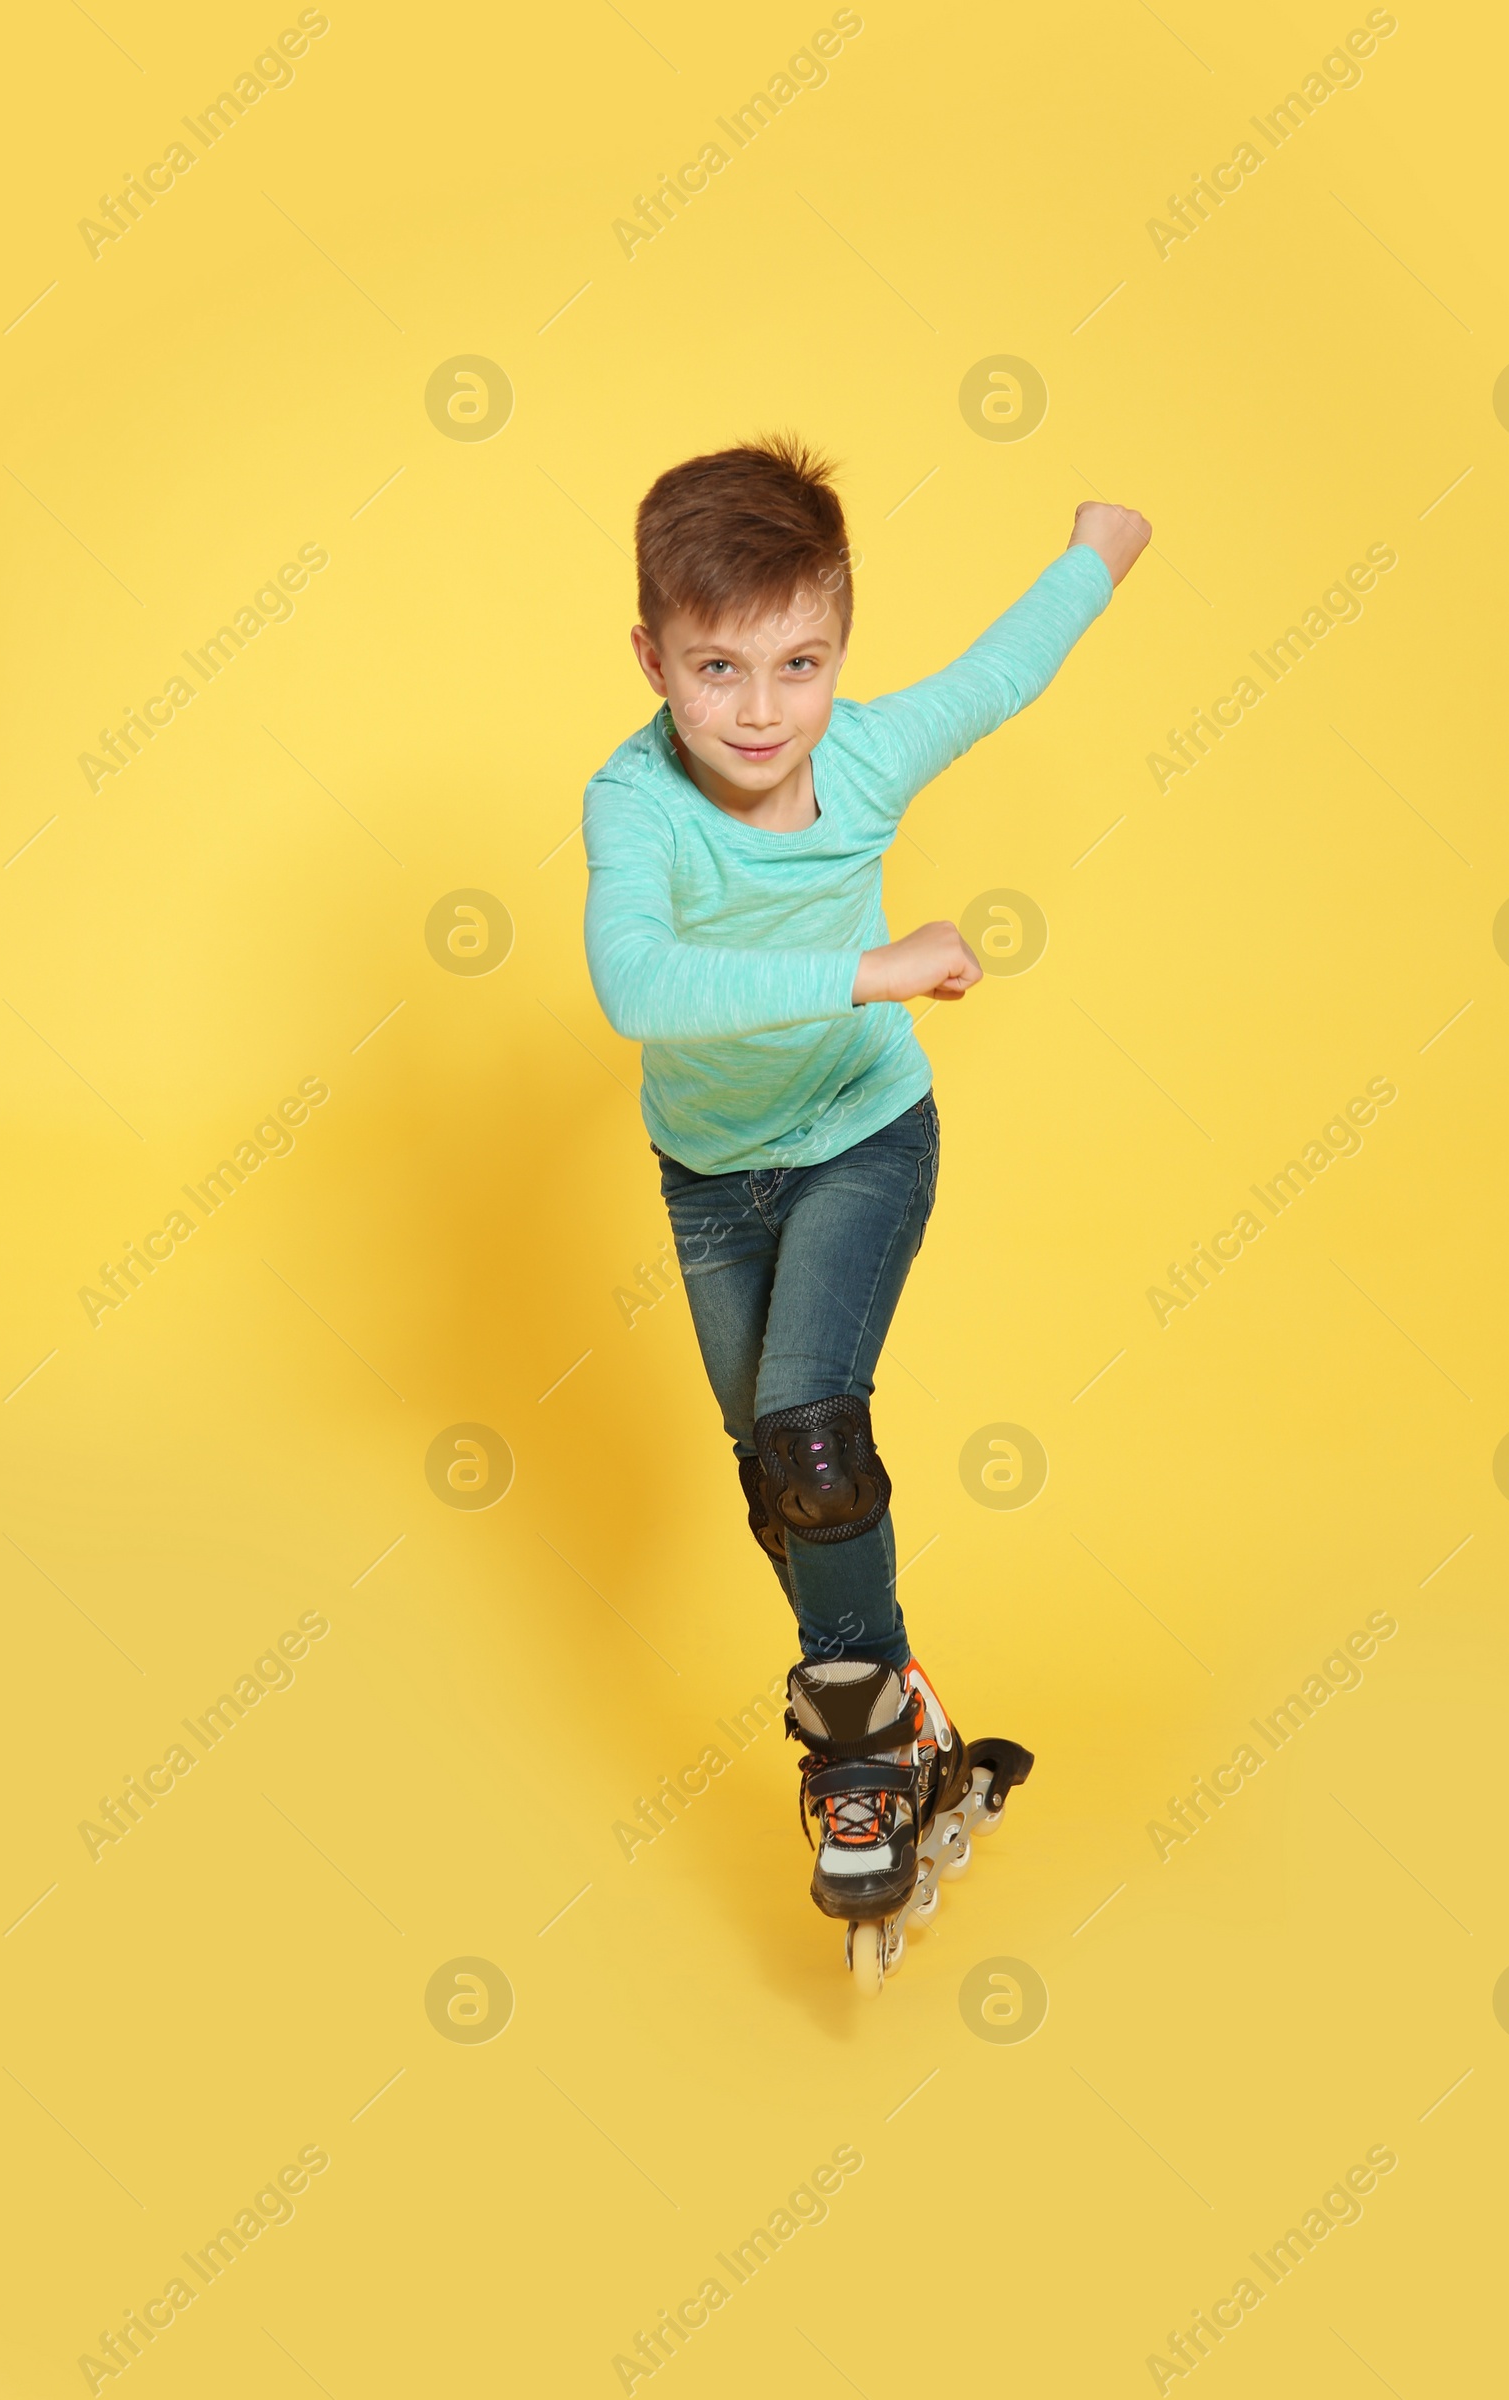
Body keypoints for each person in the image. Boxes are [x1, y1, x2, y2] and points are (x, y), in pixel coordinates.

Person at [582, 435, 1149, 1942]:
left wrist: (1102, 540)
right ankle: (897, 1718)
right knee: (781, 1488)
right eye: (716, 671)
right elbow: (634, 982)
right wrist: (875, 966)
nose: (763, 713)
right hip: (711, 1184)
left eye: (800, 662)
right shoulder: (633, 806)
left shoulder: (873, 753)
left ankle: (852, 1764)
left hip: (860, 1135)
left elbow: (1001, 673)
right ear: (651, 657)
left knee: (815, 1441)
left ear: (840, 644)